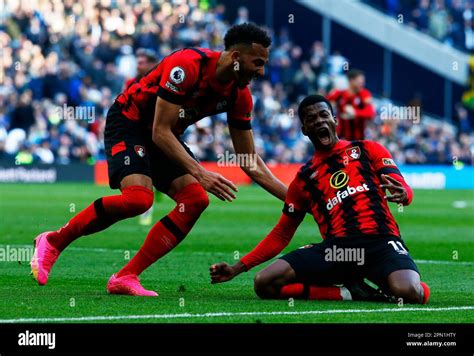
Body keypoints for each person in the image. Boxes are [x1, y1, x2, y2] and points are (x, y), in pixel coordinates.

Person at [31, 23, 287, 296]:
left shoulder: (240, 96)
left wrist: (299, 199)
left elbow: (249, 161)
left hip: (165, 135)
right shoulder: (187, 65)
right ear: (236, 58)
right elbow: (159, 130)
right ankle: (53, 241)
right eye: (257, 63)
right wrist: (200, 173)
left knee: (195, 200)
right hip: (130, 123)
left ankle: (126, 276)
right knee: (139, 199)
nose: (261, 72)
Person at [210, 94, 430, 304]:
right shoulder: (304, 179)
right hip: (339, 250)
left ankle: (393, 281)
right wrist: (237, 268)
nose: (319, 121)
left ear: (334, 120)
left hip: (381, 241)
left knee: (409, 292)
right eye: (311, 119)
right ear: (304, 129)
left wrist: (404, 195)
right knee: (264, 283)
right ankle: (348, 292)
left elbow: (401, 186)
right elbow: (282, 233)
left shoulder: (367, 149)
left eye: (324, 115)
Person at [327, 69, 375, 140]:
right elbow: (324, 103)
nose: (362, 84)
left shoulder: (365, 94)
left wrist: (355, 113)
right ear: (351, 81)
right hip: (340, 137)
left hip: (358, 139)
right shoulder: (340, 93)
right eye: (360, 82)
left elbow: (371, 113)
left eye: (363, 82)